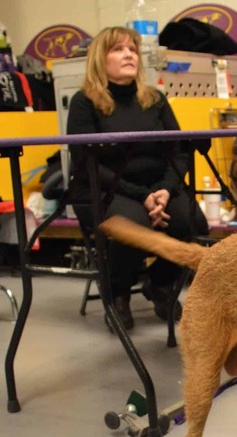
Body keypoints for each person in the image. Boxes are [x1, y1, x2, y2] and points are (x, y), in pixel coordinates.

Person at [66, 26, 205, 329]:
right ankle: (117, 294)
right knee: (132, 225)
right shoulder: (84, 102)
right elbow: (85, 162)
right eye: (118, 49)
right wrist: (141, 195)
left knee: (193, 221)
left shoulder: (154, 99)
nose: (128, 54)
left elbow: (179, 152)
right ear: (99, 59)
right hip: (106, 188)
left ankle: (159, 284)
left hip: (158, 186)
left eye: (132, 49)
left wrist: (165, 191)